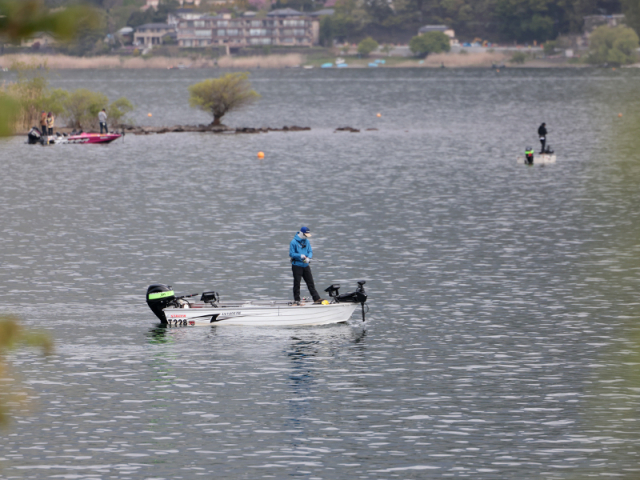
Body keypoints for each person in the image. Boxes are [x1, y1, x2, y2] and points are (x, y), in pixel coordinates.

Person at [289, 226, 324, 304]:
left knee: (310, 282)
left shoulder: (307, 241)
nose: (306, 237)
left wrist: (309, 258)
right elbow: (291, 254)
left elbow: (310, 251)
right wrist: (300, 256)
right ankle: (297, 299)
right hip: (297, 265)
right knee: (297, 283)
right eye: (305, 235)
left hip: (305, 265)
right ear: (301, 233)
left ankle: (316, 298)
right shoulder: (293, 242)